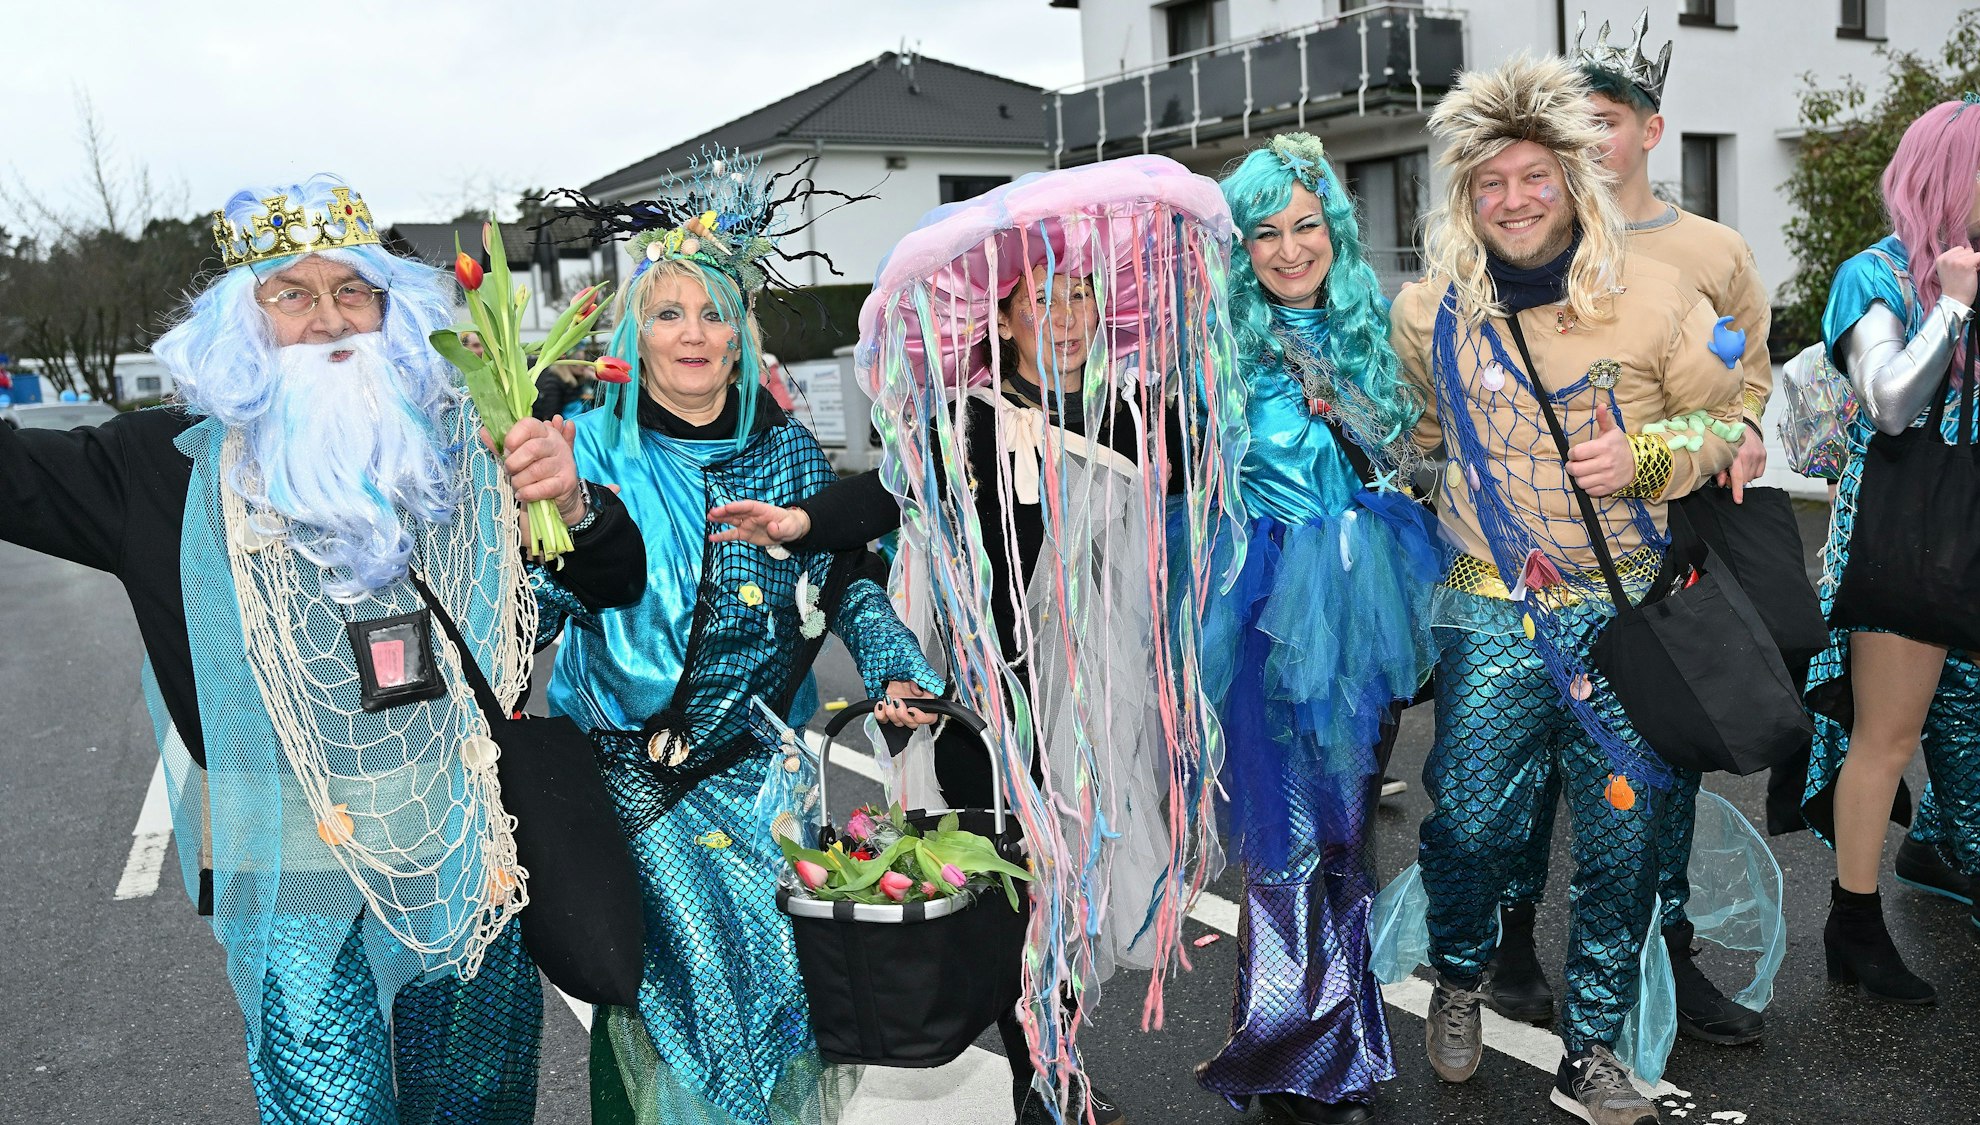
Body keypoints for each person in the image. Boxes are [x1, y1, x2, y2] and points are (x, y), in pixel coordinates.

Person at [0, 174, 647, 1124]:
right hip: (288, 851)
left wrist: (578, 504)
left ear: (392, 310)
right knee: (328, 1108)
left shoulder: (466, 446)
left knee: (474, 1103)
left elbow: (615, 578)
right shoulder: (158, 468)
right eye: (290, 294)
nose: (328, 318)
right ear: (240, 324)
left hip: (460, 830)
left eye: (354, 291)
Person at [709, 155, 1243, 1125]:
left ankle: (1059, 1045)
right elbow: (884, 491)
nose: (1071, 316)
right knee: (1005, 892)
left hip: (1097, 703)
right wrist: (796, 524)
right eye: (1047, 299)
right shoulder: (968, 421)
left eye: (1083, 295)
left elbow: (1200, 494)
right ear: (1003, 319)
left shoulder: (1139, 411)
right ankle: (1040, 1076)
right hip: (986, 703)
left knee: (1072, 894)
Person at [543, 152, 944, 1125]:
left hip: (769, 774)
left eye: (712, 312)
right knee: (691, 998)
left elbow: (845, 583)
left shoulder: (786, 447)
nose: (691, 332)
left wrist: (895, 666)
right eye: (667, 311)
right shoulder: (585, 445)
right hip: (633, 777)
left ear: (739, 335)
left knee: (787, 987)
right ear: (634, 328)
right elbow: (533, 603)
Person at [1387, 56, 1747, 1125]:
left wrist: (1640, 456)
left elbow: (1722, 427)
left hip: (1626, 615)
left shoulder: (1654, 294)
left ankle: (1588, 1047)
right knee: (1469, 830)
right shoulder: (1430, 310)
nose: (1510, 200)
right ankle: (1459, 974)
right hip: (1492, 607)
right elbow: (1425, 435)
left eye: (1531, 178)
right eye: (1487, 183)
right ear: (1465, 196)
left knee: (1625, 840)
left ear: (1571, 179)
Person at [1484, 9, 1771, 1045]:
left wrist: (1736, 432)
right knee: (1522, 765)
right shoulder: (1522, 243)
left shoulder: (1709, 250)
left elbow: (1742, 380)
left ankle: (1666, 951)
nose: (1585, 142)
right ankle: (1512, 940)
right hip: (1542, 559)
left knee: (1659, 754)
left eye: (1600, 120)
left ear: (1650, 129)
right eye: (1571, 126)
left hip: (1668, 542)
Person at [1181, 134, 1447, 1125]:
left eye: (1305, 226)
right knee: (1285, 839)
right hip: (1266, 612)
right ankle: (1285, 1050)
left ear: (1330, 229)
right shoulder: (1215, 345)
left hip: (1363, 601)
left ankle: (1341, 1041)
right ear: (1239, 247)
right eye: (1264, 233)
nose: (1290, 249)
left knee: (1344, 838)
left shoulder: (1368, 327)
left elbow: (1409, 462)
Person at [1802, 93, 1980, 996]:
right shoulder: (1872, 274)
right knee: (1888, 736)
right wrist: (1951, 307)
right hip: (1906, 536)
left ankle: (1962, 859)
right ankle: (1854, 926)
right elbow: (1887, 402)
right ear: (1947, 172)